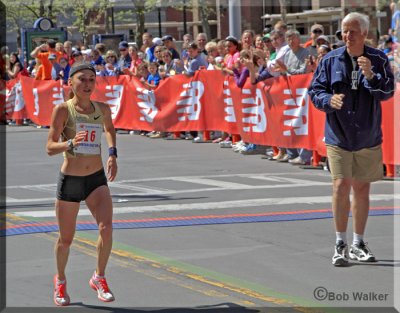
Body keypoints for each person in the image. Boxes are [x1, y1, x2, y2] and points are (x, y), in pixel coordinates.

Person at [308, 12, 394, 267]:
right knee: (340, 185)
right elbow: (315, 90)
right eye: (344, 31)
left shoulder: (378, 58)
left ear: (365, 33)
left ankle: (358, 242)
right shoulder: (330, 59)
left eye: (352, 31)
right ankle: (340, 243)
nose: (347, 36)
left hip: (367, 134)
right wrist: (328, 101)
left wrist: (371, 76)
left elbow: (387, 92)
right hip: (338, 133)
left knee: (362, 188)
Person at [46, 62, 118, 305]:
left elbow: (109, 129)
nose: (87, 84)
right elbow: (49, 147)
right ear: (71, 83)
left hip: (96, 179)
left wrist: (112, 153)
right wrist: (69, 144)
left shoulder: (102, 108)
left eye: (91, 79)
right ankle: (61, 280)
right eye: (82, 79)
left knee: (106, 228)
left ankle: (99, 276)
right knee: (66, 239)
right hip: (71, 180)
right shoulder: (63, 111)